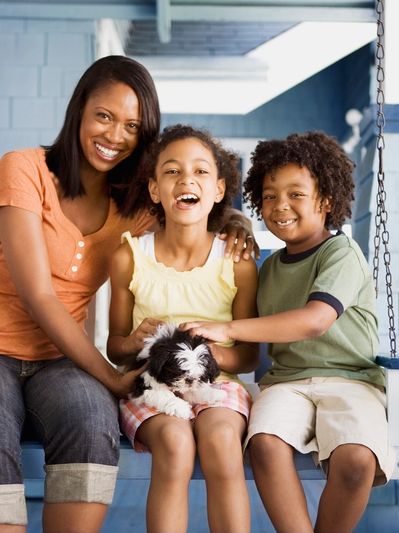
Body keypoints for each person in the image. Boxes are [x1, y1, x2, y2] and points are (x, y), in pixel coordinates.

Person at [0, 56, 257, 533]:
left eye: (133, 126)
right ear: (79, 109)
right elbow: (37, 293)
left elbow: (188, 210)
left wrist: (237, 223)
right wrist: (113, 377)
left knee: (91, 418)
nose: (115, 135)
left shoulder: (133, 208)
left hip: (59, 359)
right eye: (104, 116)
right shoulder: (24, 169)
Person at [181, 131, 396, 533]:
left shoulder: (341, 253)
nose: (280, 206)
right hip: (287, 384)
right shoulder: (270, 266)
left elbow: (315, 319)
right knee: (264, 445)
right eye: (269, 196)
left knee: (357, 461)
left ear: (326, 201)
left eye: (296, 194)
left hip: (352, 382)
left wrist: (226, 327)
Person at [107, 124, 259, 533]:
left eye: (200, 172)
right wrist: (135, 339)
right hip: (150, 386)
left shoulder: (236, 260)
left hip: (218, 384)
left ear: (218, 188)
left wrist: (213, 350)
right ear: (155, 189)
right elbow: (115, 348)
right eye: (172, 171)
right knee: (175, 444)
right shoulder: (130, 256)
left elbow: (249, 355)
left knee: (222, 442)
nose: (186, 179)